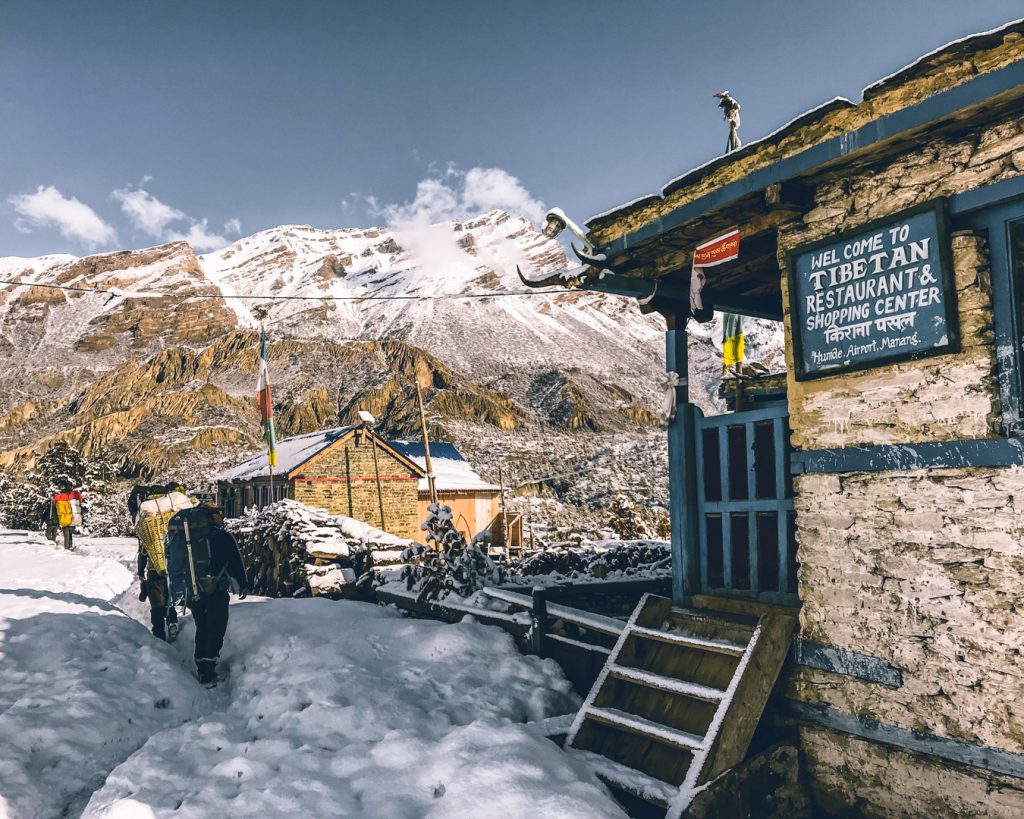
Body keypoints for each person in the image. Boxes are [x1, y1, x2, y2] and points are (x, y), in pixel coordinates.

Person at [190, 502, 249, 685]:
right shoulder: (223, 537)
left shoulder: (188, 537)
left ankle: (200, 664)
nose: (222, 516)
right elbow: (235, 562)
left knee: (202, 626)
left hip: (194, 589)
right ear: (210, 516)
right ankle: (208, 669)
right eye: (218, 513)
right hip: (217, 588)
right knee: (216, 627)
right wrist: (243, 583)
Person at [132, 482, 191, 642]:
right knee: (169, 594)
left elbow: (143, 550)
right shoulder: (172, 512)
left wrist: (140, 571)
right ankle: (172, 620)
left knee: (157, 600)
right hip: (174, 563)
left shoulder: (147, 516)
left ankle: (158, 632)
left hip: (154, 566)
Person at [48, 481, 83, 550]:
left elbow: (55, 499)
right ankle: (70, 545)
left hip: (66, 516)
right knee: (70, 532)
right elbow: (80, 500)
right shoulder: (76, 494)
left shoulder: (62, 495)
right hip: (75, 516)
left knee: (66, 532)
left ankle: (67, 547)